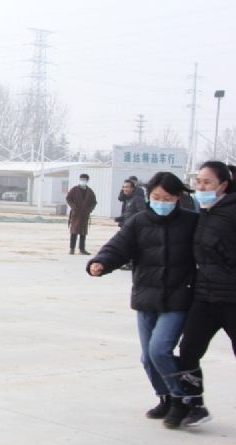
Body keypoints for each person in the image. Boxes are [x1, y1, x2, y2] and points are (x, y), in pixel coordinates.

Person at [87, 172, 198, 422]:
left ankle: (182, 398)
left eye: (167, 198)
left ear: (178, 198)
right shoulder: (139, 222)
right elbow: (118, 247)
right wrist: (101, 262)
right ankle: (165, 397)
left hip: (178, 298)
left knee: (160, 350)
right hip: (146, 297)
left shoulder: (192, 222)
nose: (161, 202)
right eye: (156, 197)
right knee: (147, 357)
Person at [170, 161, 236, 428]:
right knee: (188, 351)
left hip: (232, 298)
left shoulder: (231, 212)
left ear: (223, 185)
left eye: (207, 182)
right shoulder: (204, 212)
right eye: (198, 181)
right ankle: (193, 404)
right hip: (205, 296)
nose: (201, 186)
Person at [115, 179, 147, 270]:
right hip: (128, 226)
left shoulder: (137, 199)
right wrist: (121, 218)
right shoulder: (129, 199)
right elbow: (130, 212)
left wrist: (136, 223)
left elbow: (143, 212)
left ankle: (132, 264)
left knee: (131, 245)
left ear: (133, 188)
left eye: (127, 187)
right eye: (124, 187)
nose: (125, 189)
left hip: (135, 227)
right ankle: (129, 263)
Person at [66, 173, 97, 255]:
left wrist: (89, 210)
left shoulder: (90, 191)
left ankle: (82, 249)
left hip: (85, 214)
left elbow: (94, 202)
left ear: (87, 180)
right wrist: (73, 207)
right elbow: (68, 198)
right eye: (81, 179)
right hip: (75, 214)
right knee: (74, 231)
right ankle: (72, 249)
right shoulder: (74, 189)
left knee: (83, 232)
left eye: (84, 179)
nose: (83, 181)